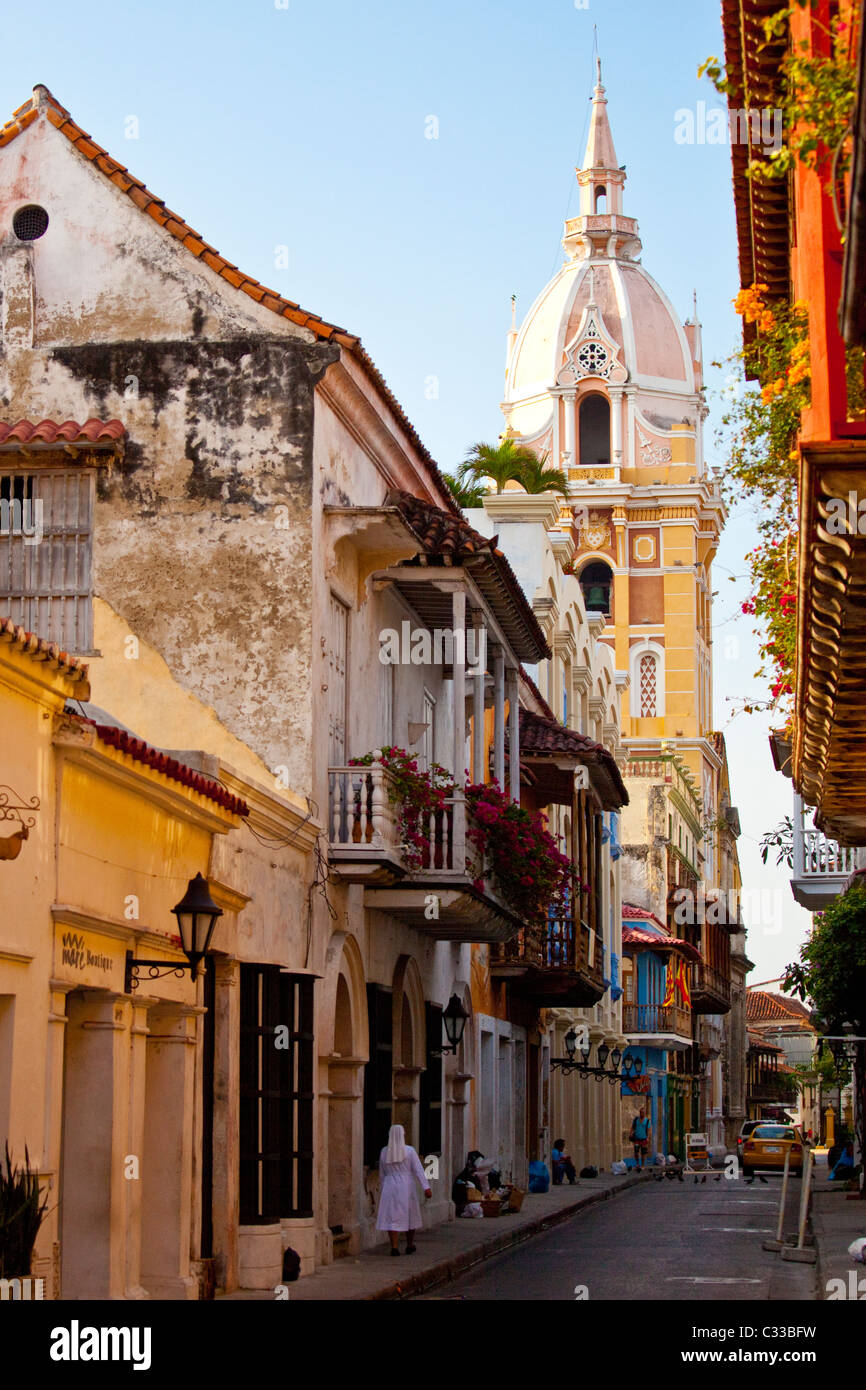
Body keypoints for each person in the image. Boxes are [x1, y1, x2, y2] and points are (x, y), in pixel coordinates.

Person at [376, 1123, 432, 1254]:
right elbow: (418, 1170)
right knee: (410, 1214)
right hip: (406, 1185)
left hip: (390, 1185)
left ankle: (394, 1246)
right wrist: (426, 1187)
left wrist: (383, 1188)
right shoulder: (410, 1151)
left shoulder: (384, 1151)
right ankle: (410, 1244)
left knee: (392, 1217)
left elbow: (382, 1173)